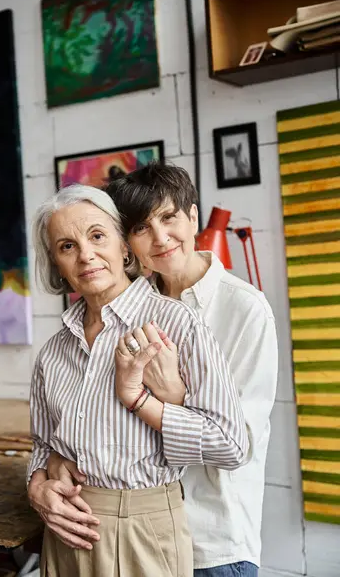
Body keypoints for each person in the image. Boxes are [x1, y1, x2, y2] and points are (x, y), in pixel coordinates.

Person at [48, 162, 278, 576]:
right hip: (138, 532)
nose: (160, 238)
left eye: (169, 218)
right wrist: (49, 467)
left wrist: (171, 397)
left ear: (193, 218)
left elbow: (235, 442)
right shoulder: (128, 310)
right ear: (127, 242)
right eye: (141, 227)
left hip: (214, 536)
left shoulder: (245, 309)